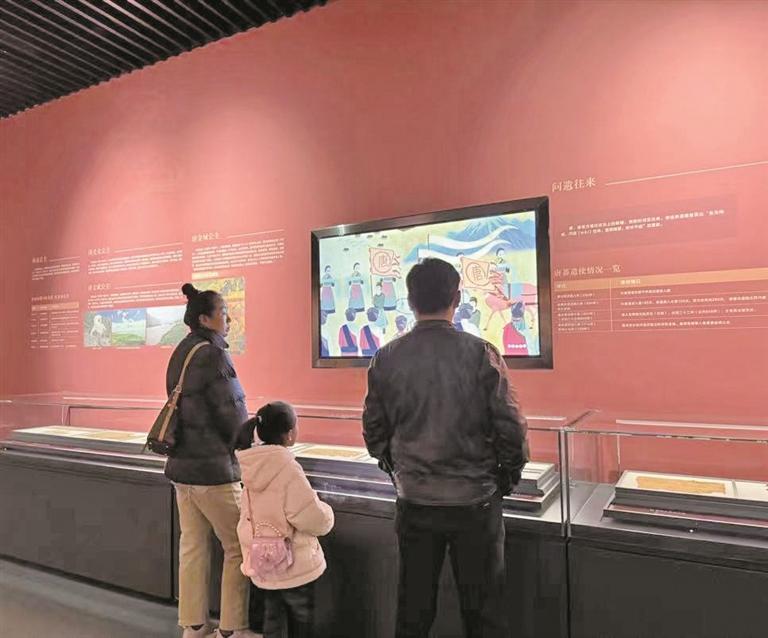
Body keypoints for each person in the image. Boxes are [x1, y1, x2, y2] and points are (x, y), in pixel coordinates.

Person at [362, 258, 528, 638]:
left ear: (409, 300)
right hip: (476, 502)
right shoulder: (481, 353)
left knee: (413, 610)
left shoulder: (386, 357)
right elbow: (511, 427)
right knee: (484, 613)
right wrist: (505, 477)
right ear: (457, 298)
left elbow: (374, 430)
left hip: (415, 501)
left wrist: (397, 470)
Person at [166, 284, 259, 638]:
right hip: (213, 472)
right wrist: (250, 445)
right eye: (223, 313)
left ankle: (194, 626)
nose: (229, 320)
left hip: (183, 468)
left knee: (192, 546)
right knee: (238, 546)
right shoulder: (216, 355)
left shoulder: (182, 351)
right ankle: (233, 628)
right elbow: (233, 413)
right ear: (205, 319)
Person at [237, 402, 334, 638]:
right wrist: (327, 514)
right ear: (289, 434)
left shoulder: (249, 465)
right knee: (301, 621)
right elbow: (310, 518)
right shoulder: (287, 469)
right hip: (294, 565)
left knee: (272, 621)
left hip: (264, 562)